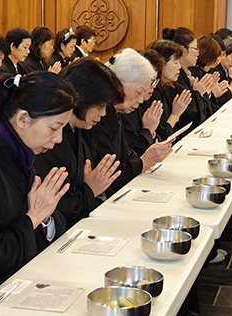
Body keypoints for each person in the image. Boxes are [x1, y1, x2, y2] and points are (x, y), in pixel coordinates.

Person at [0, 72, 75, 292]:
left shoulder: (18, 148)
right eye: (54, 128)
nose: (59, 139)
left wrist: (43, 219)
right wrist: (33, 218)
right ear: (23, 119)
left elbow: (44, 215)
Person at [34, 58, 124, 226]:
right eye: (99, 106)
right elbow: (61, 205)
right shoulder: (49, 140)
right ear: (81, 97)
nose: (103, 114)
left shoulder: (83, 129)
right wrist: (91, 190)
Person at [91, 48, 173, 194]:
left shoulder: (116, 112)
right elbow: (111, 173)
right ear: (119, 83)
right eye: (139, 92)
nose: (141, 100)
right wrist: (144, 161)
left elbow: (128, 156)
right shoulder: (98, 117)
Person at [161, 27, 219, 136]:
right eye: (195, 49)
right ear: (183, 50)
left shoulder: (186, 73)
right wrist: (198, 93)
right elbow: (187, 116)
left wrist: (205, 93)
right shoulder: (174, 78)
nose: (198, 53)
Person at [120, 49, 166, 155]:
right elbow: (132, 152)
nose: (153, 86)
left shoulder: (143, 103)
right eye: (151, 81)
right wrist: (148, 130)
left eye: (155, 81)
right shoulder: (124, 108)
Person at [189, 34, 229, 110]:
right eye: (214, 57)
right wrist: (209, 93)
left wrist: (212, 95)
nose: (217, 61)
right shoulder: (192, 72)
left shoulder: (211, 71)